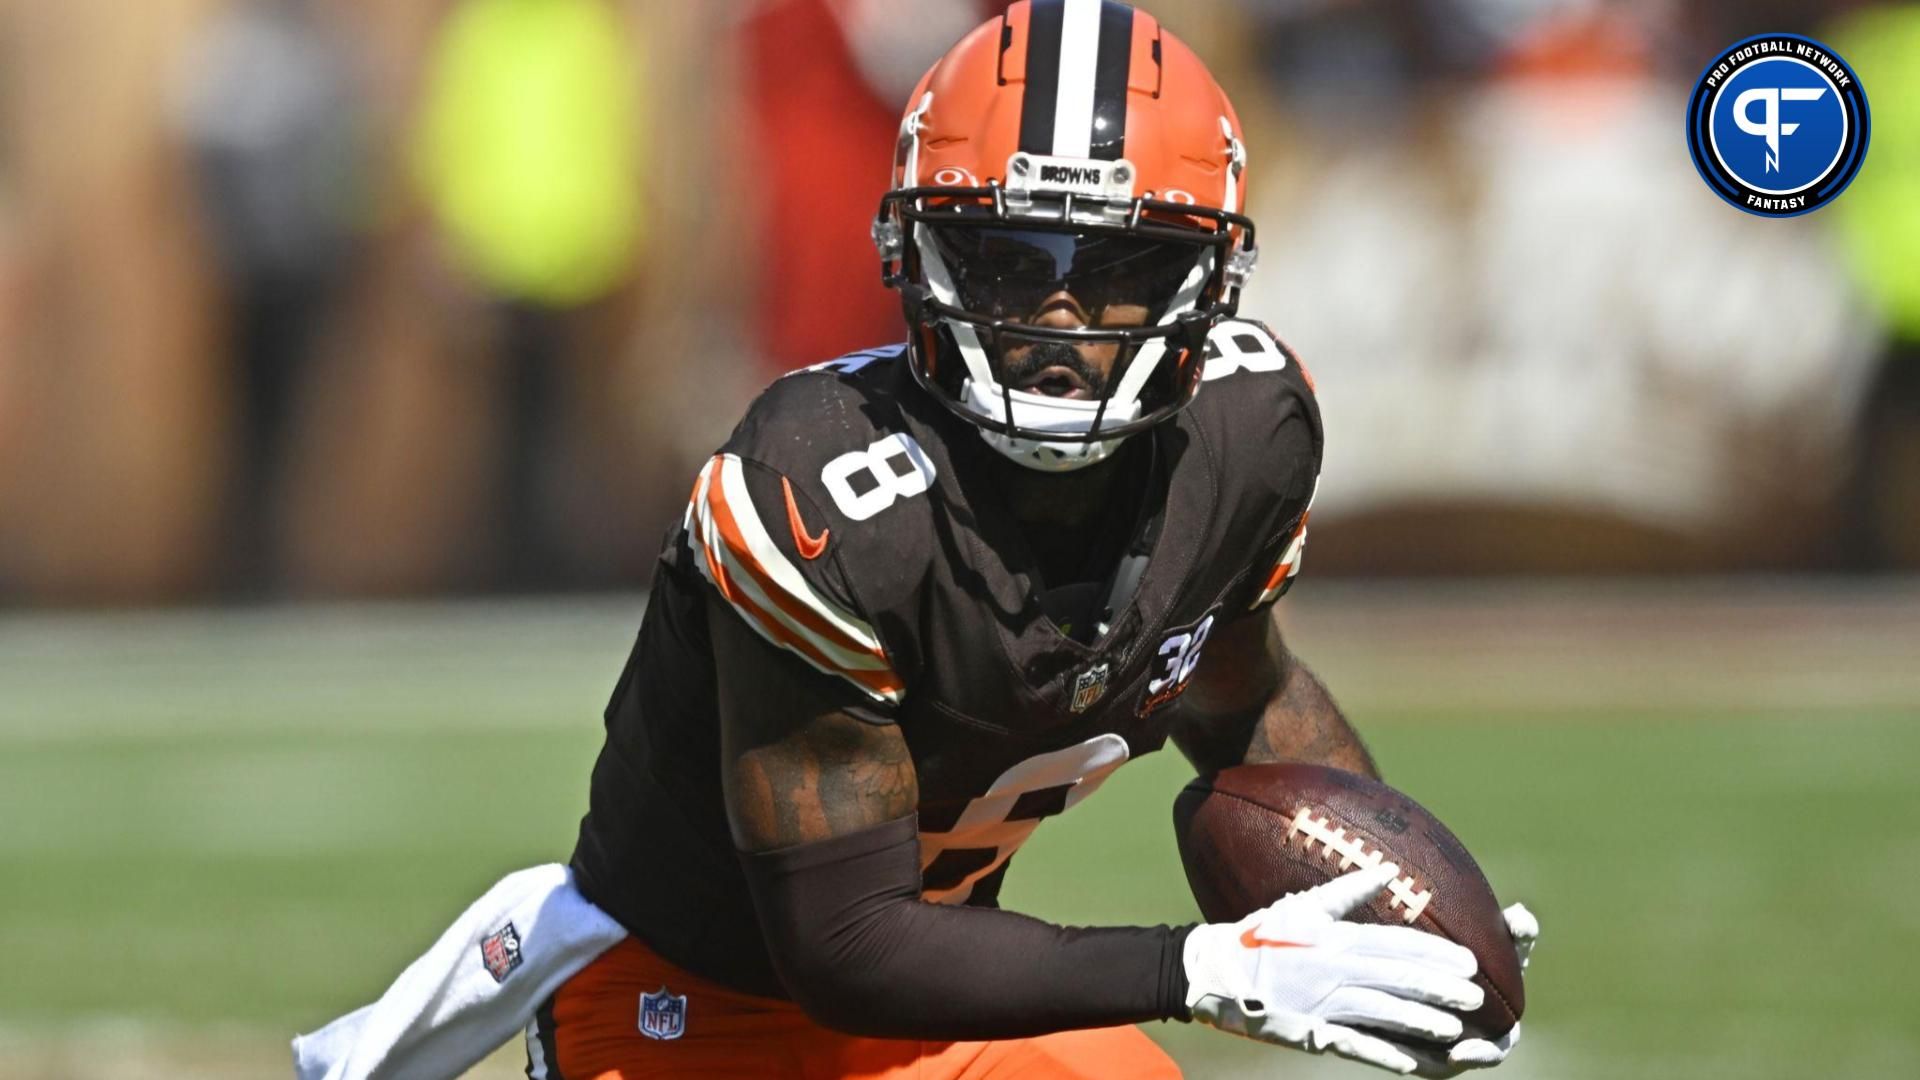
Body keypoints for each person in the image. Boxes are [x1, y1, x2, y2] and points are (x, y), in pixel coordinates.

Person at [292, 4, 1536, 1078]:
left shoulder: (1248, 434)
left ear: (1205, 284)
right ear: (914, 250)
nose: (1060, 311)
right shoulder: (822, 494)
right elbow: (846, 945)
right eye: (1004, 255)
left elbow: (1243, 699)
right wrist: (1201, 966)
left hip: (934, 1005)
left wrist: (1389, 902)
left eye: (1115, 265)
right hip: (693, 1001)